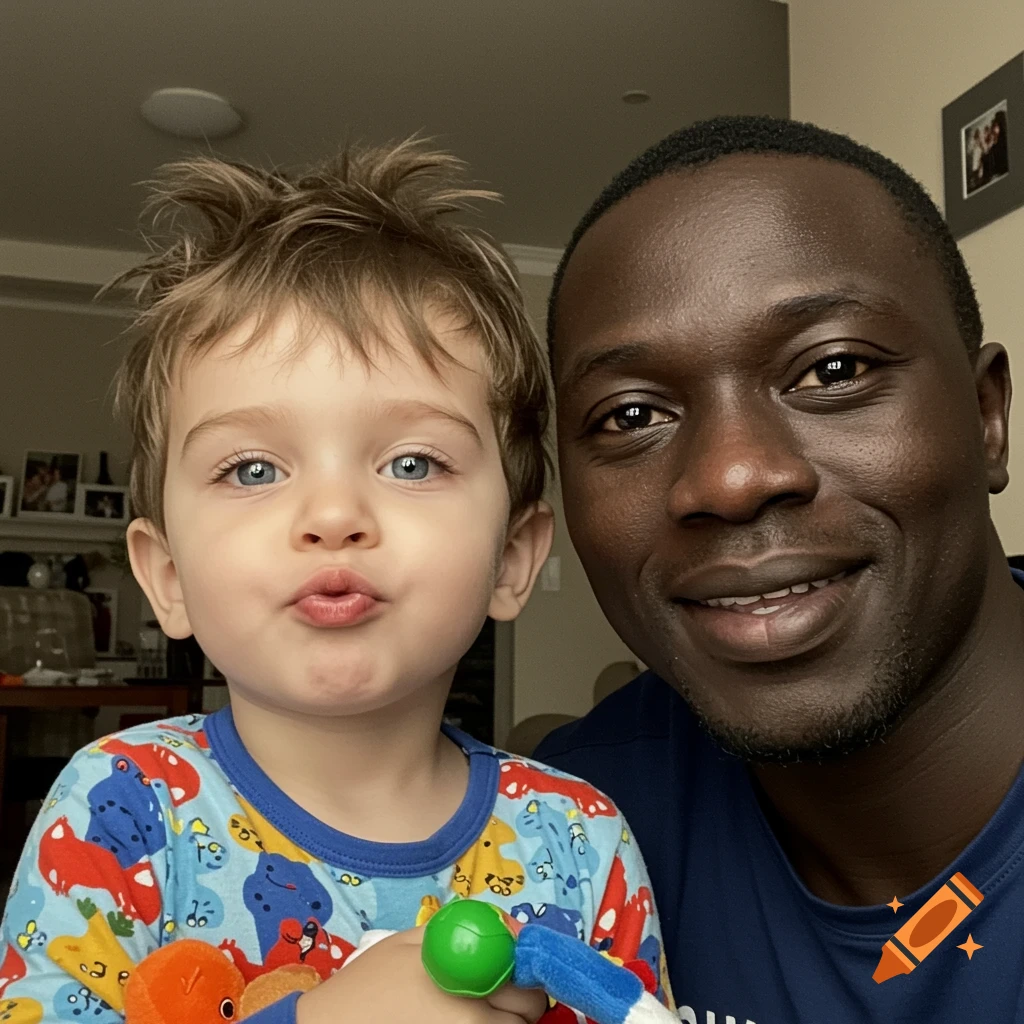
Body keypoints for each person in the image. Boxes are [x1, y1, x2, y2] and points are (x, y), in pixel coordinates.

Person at [0, 143, 669, 1024]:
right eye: (250, 469)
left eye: (411, 460)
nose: (332, 512)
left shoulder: (581, 840)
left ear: (513, 556)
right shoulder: (118, 807)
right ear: (168, 578)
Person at [536, 115, 1024, 1023]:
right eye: (632, 416)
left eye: (833, 368)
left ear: (987, 416)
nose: (729, 478)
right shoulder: (560, 835)